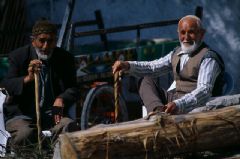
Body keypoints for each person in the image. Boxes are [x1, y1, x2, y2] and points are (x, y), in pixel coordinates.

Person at [112, 15, 225, 115]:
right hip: (175, 99)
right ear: (178, 34)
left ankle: (161, 117)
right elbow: (153, 68)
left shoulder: (208, 58)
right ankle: (157, 113)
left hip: (196, 105)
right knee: (145, 80)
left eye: (191, 32)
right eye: (182, 33)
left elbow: (204, 91)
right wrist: (127, 65)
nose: (186, 37)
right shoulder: (177, 53)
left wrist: (178, 104)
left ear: (201, 34)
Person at [1, 20, 79, 148]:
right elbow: (6, 84)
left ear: (55, 40)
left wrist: (61, 98)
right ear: (33, 40)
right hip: (22, 115)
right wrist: (28, 78)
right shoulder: (19, 56)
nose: (45, 46)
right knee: (25, 134)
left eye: (51, 41)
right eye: (42, 41)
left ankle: (54, 151)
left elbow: (74, 88)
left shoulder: (65, 58)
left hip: (52, 115)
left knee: (69, 127)